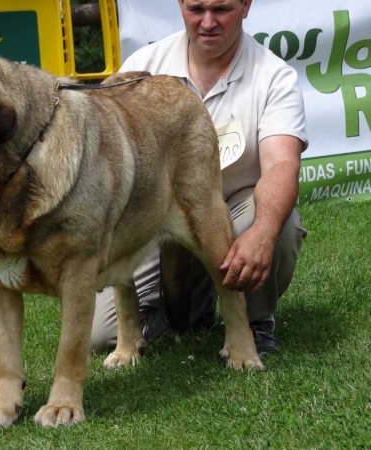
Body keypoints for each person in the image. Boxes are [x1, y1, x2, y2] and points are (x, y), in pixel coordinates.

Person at [91, 0, 308, 357]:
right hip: (155, 215)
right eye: (196, 9)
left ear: (245, 6)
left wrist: (262, 233)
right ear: (180, 5)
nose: (208, 22)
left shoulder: (273, 75)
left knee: (275, 225)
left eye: (221, 9)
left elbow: (281, 167)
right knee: (101, 335)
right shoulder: (143, 66)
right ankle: (190, 301)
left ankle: (254, 321)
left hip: (233, 208)